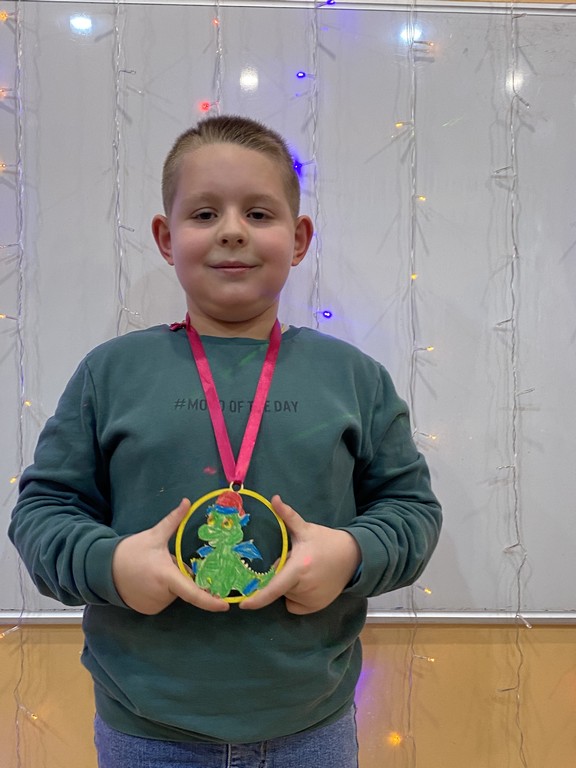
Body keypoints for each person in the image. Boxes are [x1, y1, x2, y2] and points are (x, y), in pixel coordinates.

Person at [9, 115, 442, 768]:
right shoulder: (110, 373)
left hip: (313, 729)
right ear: (166, 237)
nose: (233, 230)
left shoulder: (354, 377)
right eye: (205, 213)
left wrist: (351, 554)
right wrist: (113, 565)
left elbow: (412, 510)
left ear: (299, 238)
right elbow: (41, 513)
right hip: (146, 732)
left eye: (259, 214)